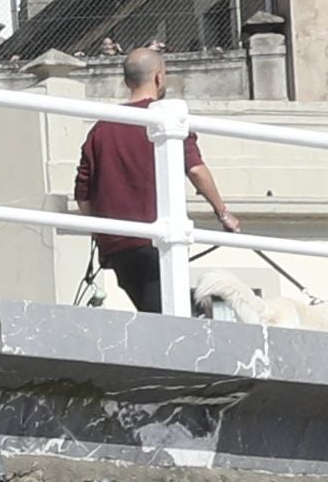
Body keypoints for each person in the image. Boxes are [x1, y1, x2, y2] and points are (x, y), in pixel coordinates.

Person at [72, 43, 237, 314]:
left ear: (126, 81)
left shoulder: (101, 129)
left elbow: (83, 195)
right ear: (160, 77)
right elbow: (195, 169)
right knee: (177, 318)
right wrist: (223, 212)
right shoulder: (168, 118)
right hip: (155, 243)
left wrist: (104, 233)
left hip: (118, 246)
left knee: (163, 314)